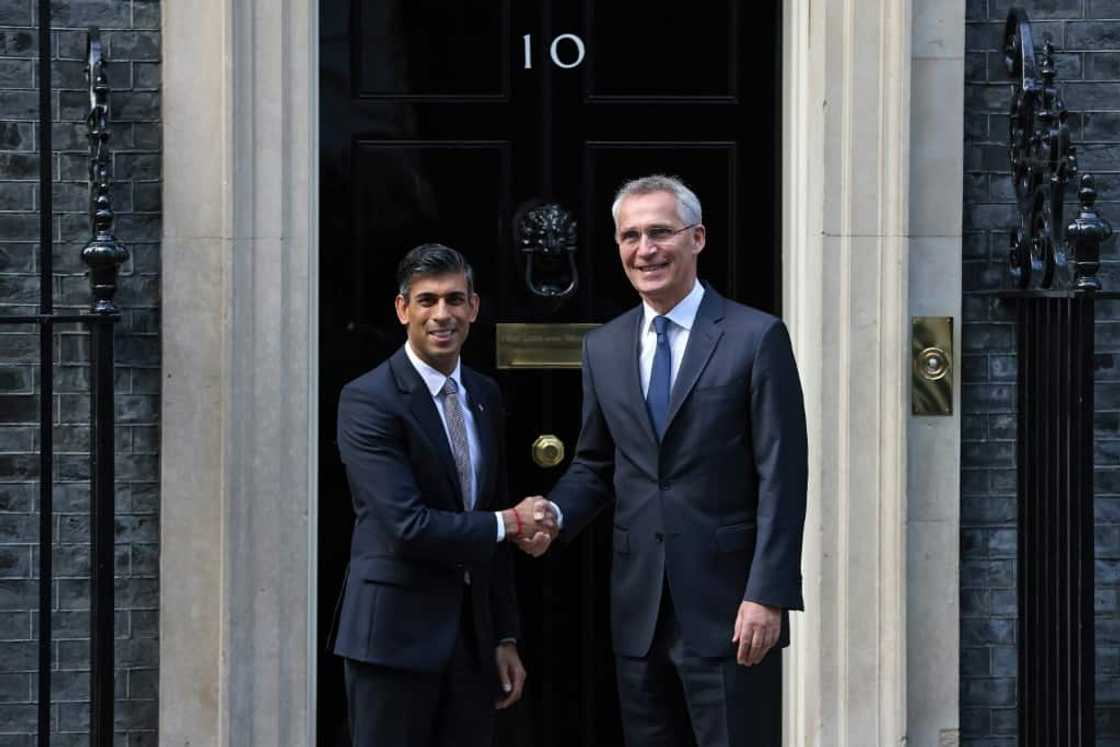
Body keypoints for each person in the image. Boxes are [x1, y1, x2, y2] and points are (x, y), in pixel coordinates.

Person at [518, 175, 808, 746]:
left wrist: (767, 593)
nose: (644, 249)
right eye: (630, 236)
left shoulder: (756, 337)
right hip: (638, 609)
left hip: (730, 609)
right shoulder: (603, 347)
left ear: (697, 238)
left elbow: (783, 474)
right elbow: (596, 465)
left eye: (659, 232)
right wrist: (554, 513)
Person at [328, 243, 554, 747]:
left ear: (474, 308)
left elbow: (487, 512)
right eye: (427, 301)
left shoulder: (484, 395)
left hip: (472, 645)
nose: (442, 315)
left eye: (455, 300)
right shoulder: (368, 399)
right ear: (402, 309)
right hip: (392, 639)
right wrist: (510, 523)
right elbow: (407, 525)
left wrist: (502, 635)